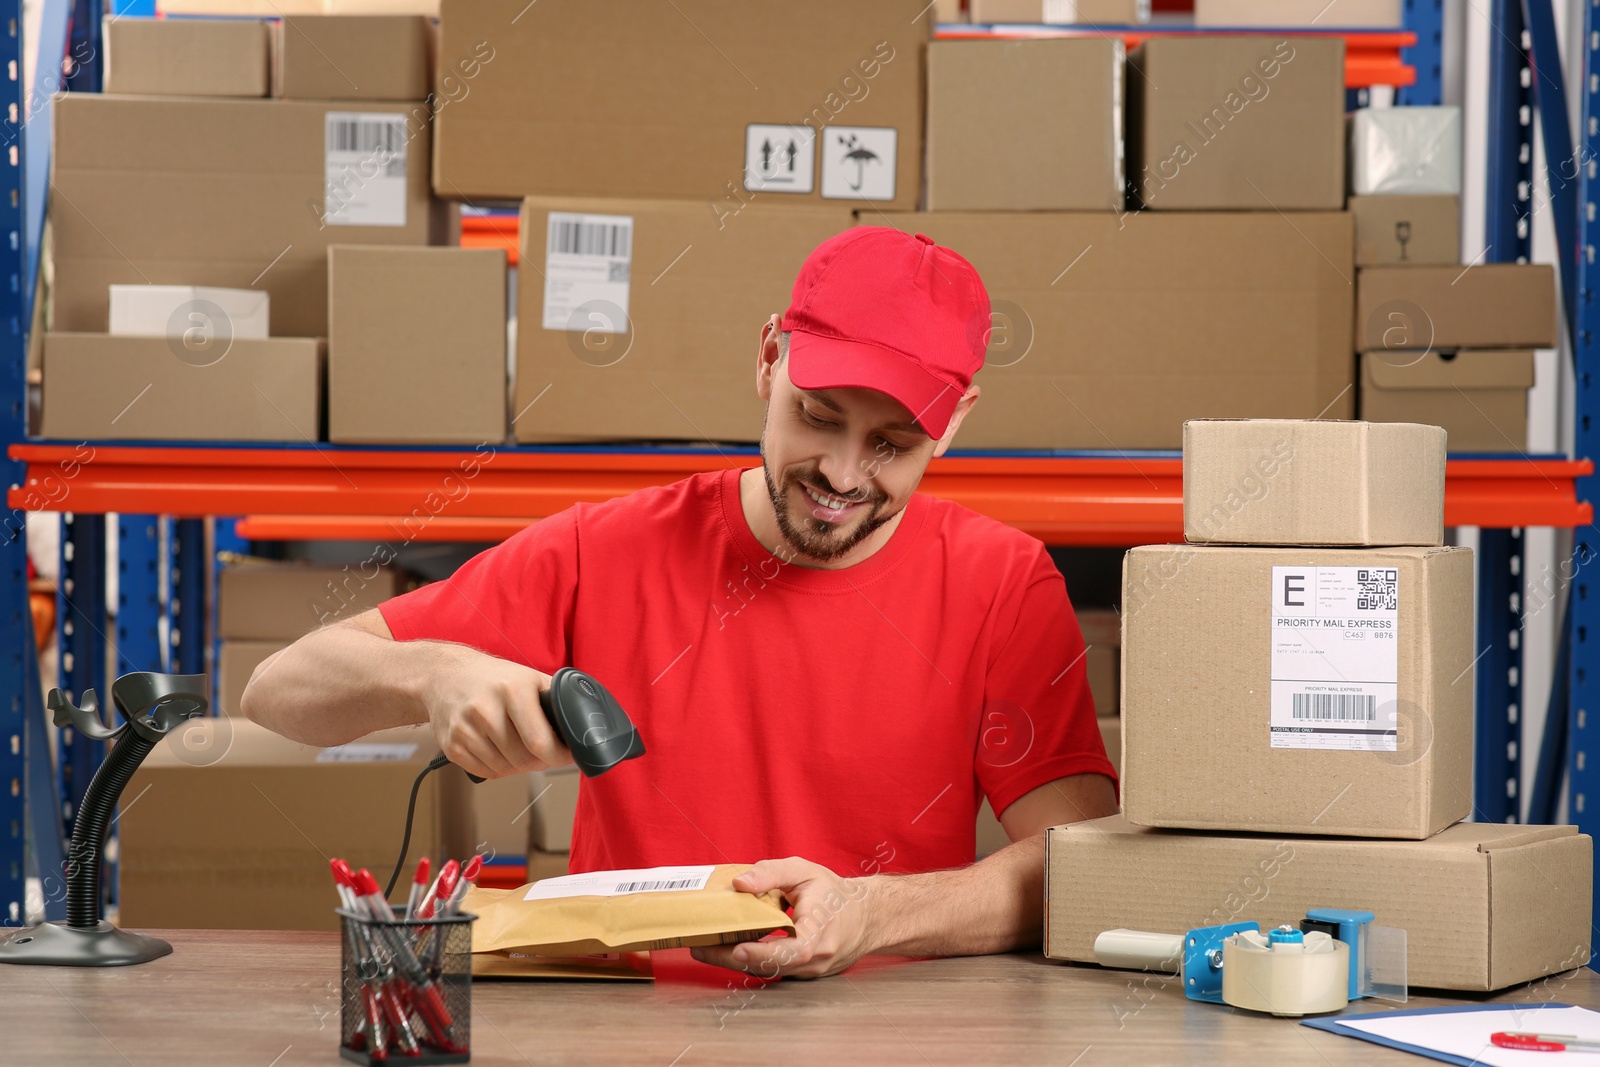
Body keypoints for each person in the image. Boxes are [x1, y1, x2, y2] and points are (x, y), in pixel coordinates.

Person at [242, 226, 1118, 979]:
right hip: (623, 1036)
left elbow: (1079, 871)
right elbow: (279, 691)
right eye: (817, 415)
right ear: (770, 357)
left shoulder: (1004, 584)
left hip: (883, 1031)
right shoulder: (604, 550)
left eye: (892, 443)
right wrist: (431, 671)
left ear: (955, 421)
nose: (844, 475)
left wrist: (872, 914)